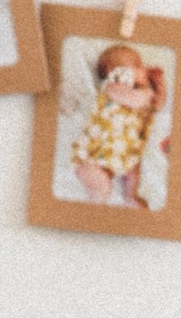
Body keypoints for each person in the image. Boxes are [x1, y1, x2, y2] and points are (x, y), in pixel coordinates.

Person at [69, 42, 164, 204]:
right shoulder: (111, 88)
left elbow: (158, 105)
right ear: (114, 71)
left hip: (125, 154)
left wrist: (158, 85)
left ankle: (131, 195)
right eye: (135, 65)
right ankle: (96, 197)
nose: (142, 68)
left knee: (134, 170)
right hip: (94, 155)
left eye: (140, 64)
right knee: (102, 184)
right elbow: (135, 100)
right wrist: (146, 92)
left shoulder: (140, 95)